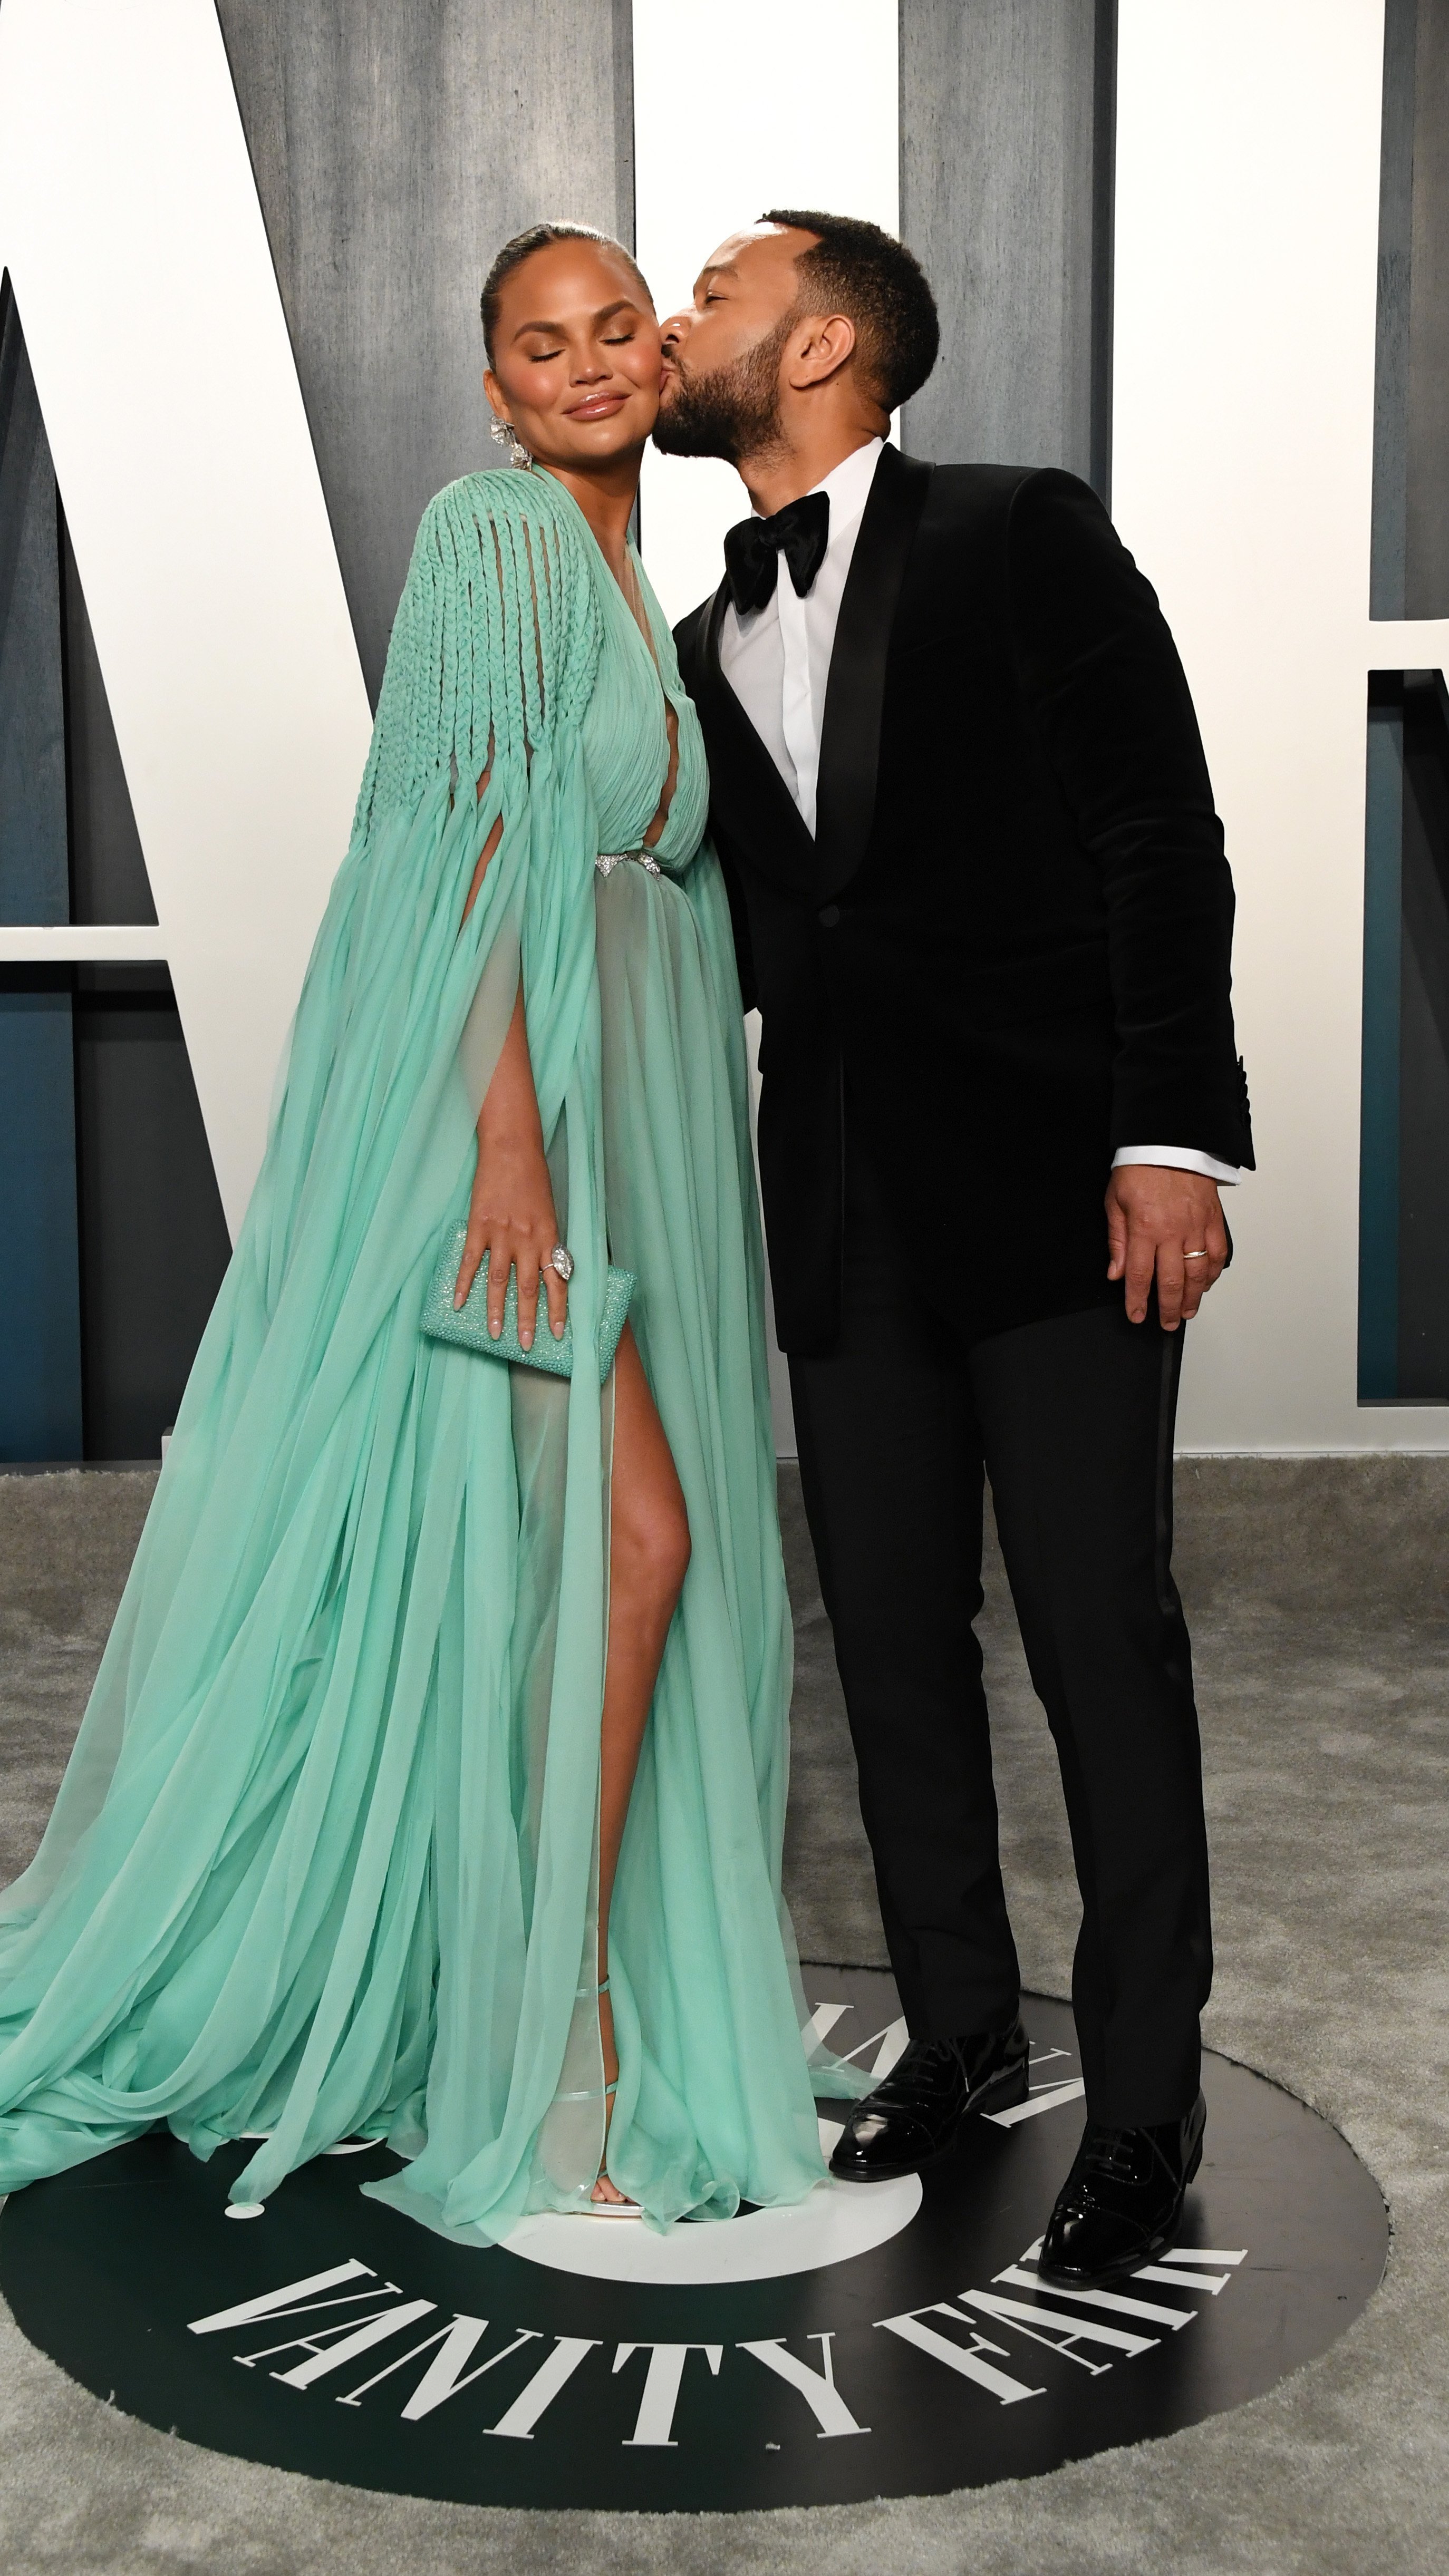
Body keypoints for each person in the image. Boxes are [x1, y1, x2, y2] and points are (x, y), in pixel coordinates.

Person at [0, 223, 858, 2233]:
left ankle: (531, 1989)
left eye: (616, 331)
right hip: (523, 1118)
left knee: (568, 1558)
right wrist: (507, 1146)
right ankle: (561, 2016)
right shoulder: (493, 539)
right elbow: (467, 835)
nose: (583, 365)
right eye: (538, 345)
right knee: (621, 1547)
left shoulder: (641, 576)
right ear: (491, 389)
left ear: (665, 360)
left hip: (622, 1104)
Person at [661, 211, 1254, 2286]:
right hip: (839, 1211)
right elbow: (760, 930)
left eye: (713, 294)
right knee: (892, 1648)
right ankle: (966, 2031)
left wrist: (1171, 1132)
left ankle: (1150, 2110)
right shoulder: (695, 636)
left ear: (822, 341)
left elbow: (1157, 833)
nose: (673, 320)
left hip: (1062, 1189)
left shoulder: (1022, 534)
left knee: (1105, 1637)